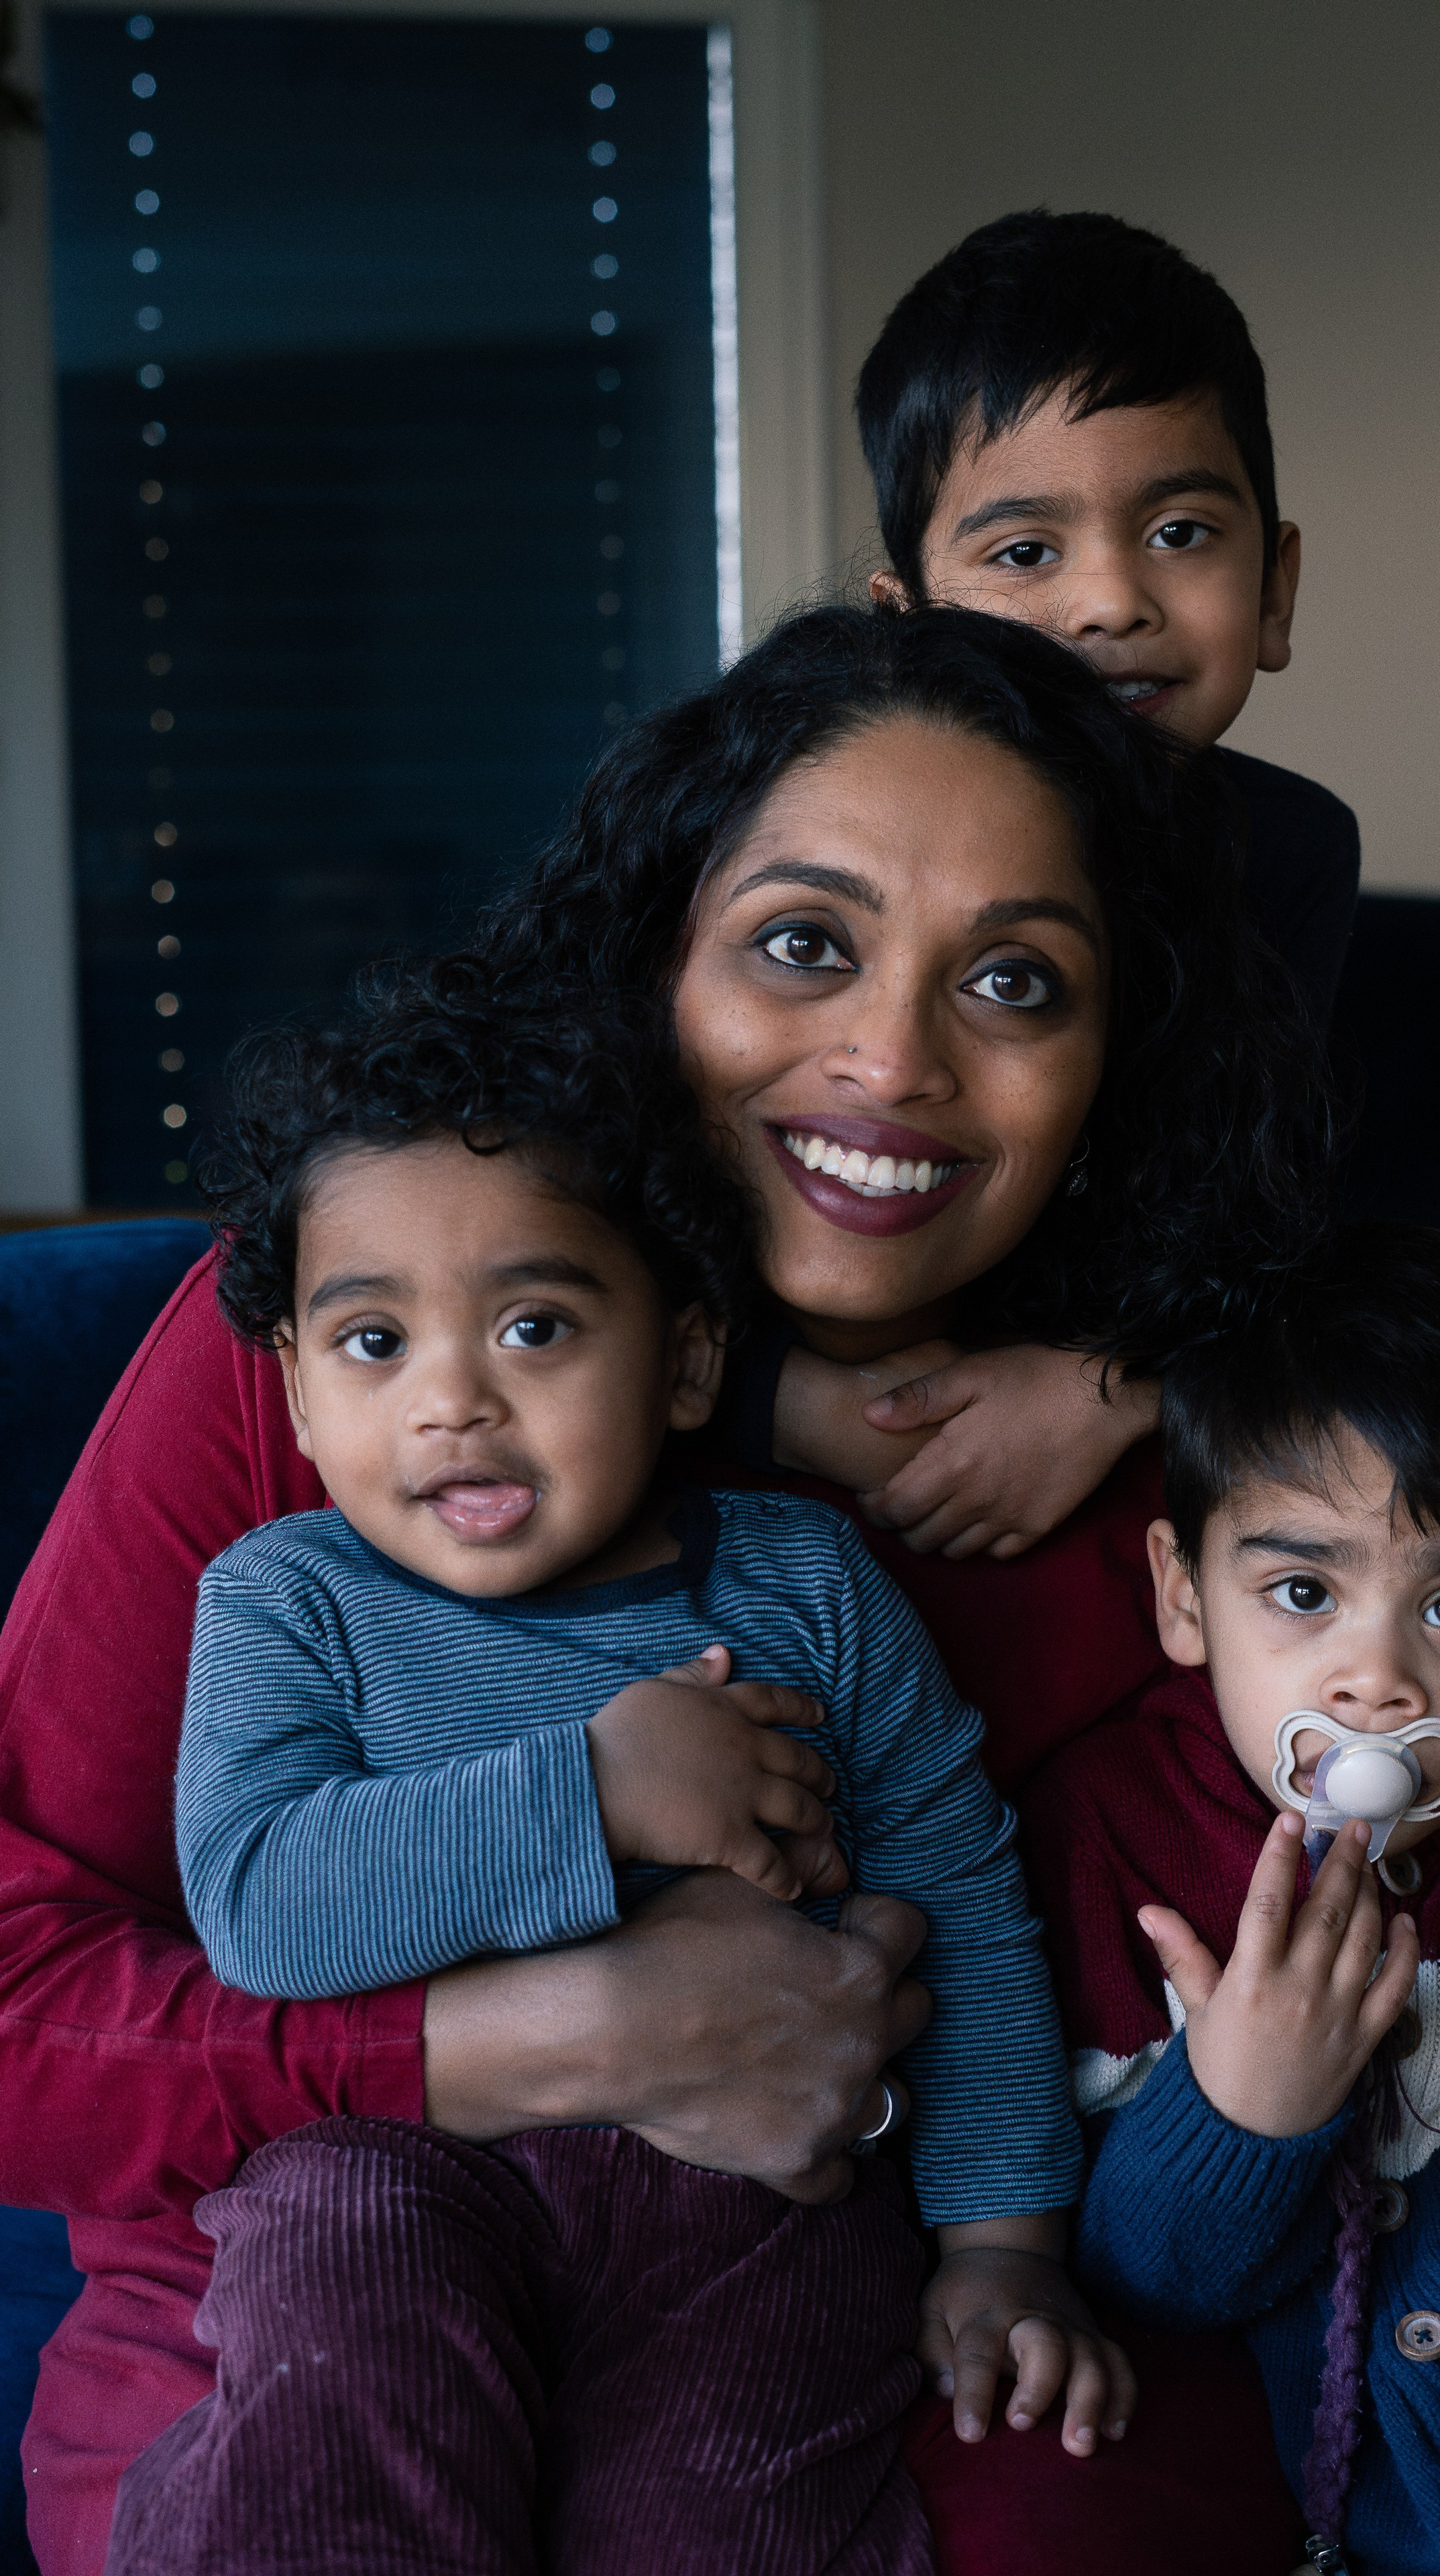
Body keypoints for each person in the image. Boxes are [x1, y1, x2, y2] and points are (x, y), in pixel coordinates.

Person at [1, 602, 1323, 2576]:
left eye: (1014, 983)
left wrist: (1149, 1380)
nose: (891, 1058)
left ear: (1115, 1060)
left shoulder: (1174, 1488)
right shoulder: (346, 1360)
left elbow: (1344, 1951)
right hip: (316, 2259)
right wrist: (546, 2039)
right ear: (652, 960)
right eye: (801, 943)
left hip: (801, 2302)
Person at [107, 966, 1121, 2574]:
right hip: (404, 2179)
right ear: (296, 1391)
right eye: (372, 1340)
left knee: (728, 2520)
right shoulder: (286, 1599)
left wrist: (1002, 2243)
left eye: (536, 1326)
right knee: (329, 2375)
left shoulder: (803, 1585)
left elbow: (962, 1908)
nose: (452, 1398)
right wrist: (588, 1792)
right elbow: (260, 1903)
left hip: (755, 2213)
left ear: (687, 1361)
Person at [1023, 1223, 1440, 2573]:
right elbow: (1142, 2286)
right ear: (1183, 1597)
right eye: (1301, 1591)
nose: (1375, 1681)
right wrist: (1241, 2113)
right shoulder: (1116, 1837)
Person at [769, 208, 1362, 1562]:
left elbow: (1265, 1213)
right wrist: (783, 1403)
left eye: (1180, 531)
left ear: (1273, 592)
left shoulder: (1287, 850)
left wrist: (1109, 1383)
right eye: (1025, 552)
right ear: (906, 625)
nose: (1109, 602)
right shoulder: (798, 836)